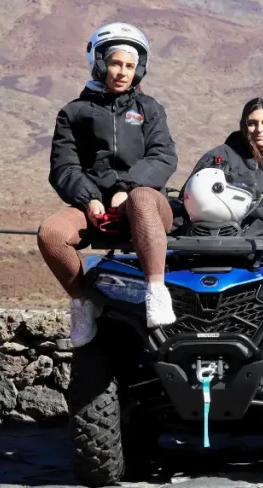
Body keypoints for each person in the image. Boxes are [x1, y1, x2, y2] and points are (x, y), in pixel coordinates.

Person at [37, 22, 179, 348]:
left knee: (142, 198)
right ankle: (83, 302)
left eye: (130, 66)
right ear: (99, 62)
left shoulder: (149, 109)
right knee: (51, 233)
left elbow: (163, 156)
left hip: (145, 206)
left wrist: (126, 189)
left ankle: (156, 291)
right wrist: (89, 198)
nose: (122, 72)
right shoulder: (73, 113)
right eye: (116, 63)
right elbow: (64, 167)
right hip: (95, 207)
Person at [182, 97, 263, 201]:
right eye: (252, 123)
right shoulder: (221, 158)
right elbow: (188, 199)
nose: (259, 129)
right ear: (244, 126)